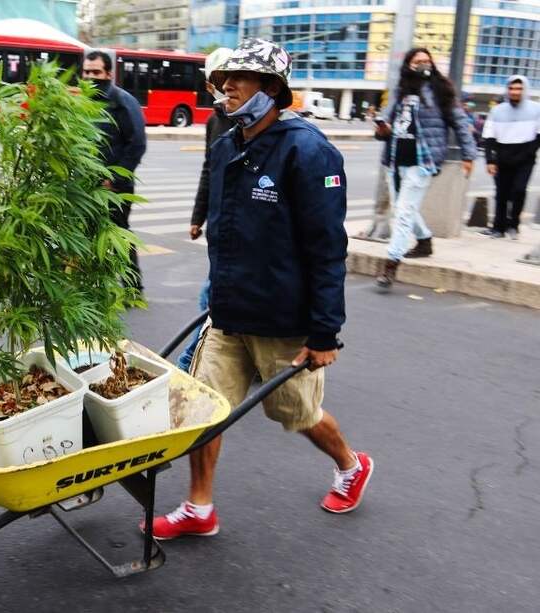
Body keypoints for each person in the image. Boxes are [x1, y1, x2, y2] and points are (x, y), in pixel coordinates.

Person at [149, 38, 373, 540]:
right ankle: (199, 507)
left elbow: (326, 250)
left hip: (282, 318)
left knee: (297, 413)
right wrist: (215, 297)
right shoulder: (231, 142)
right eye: (224, 78)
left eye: (240, 78)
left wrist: (324, 333)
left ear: (271, 89)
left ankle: (351, 463)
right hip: (229, 311)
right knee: (205, 410)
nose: (225, 86)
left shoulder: (309, 152)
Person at [373, 47, 477, 290]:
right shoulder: (400, 92)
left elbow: (460, 123)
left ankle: (391, 263)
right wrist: (381, 129)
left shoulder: (441, 91)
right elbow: (385, 122)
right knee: (402, 208)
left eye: (426, 61)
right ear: (409, 65)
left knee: (403, 212)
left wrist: (469, 154)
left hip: (423, 160)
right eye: (417, 61)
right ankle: (424, 240)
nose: (423, 64)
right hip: (396, 158)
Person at [176, 47, 236, 373]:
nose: (224, 87)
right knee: (216, 294)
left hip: (240, 227)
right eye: (217, 81)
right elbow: (209, 169)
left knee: (212, 299)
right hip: (220, 223)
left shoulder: (253, 124)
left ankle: (188, 364)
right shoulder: (215, 121)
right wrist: (198, 216)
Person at [82, 50, 147, 292]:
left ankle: (132, 288)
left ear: (108, 73)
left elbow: (137, 144)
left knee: (118, 236)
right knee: (89, 236)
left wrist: (114, 179)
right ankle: (94, 287)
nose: (91, 77)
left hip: (114, 188)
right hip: (88, 186)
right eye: (87, 72)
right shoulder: (86, 102)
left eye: (96, 72)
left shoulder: (122, 101)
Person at [480, 75, 540, 240]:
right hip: (502, 156)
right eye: (512, 88)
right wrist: (490, 160)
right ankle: (498, 227)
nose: (515, 92)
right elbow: (488, 137)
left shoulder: (536, 109)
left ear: (525, 90)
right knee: (501, 193)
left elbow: (539, 135)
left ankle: (514, 225)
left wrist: (527, 153)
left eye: (519, 89)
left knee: (519, 190)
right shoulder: (497, 110)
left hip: (525, 157)